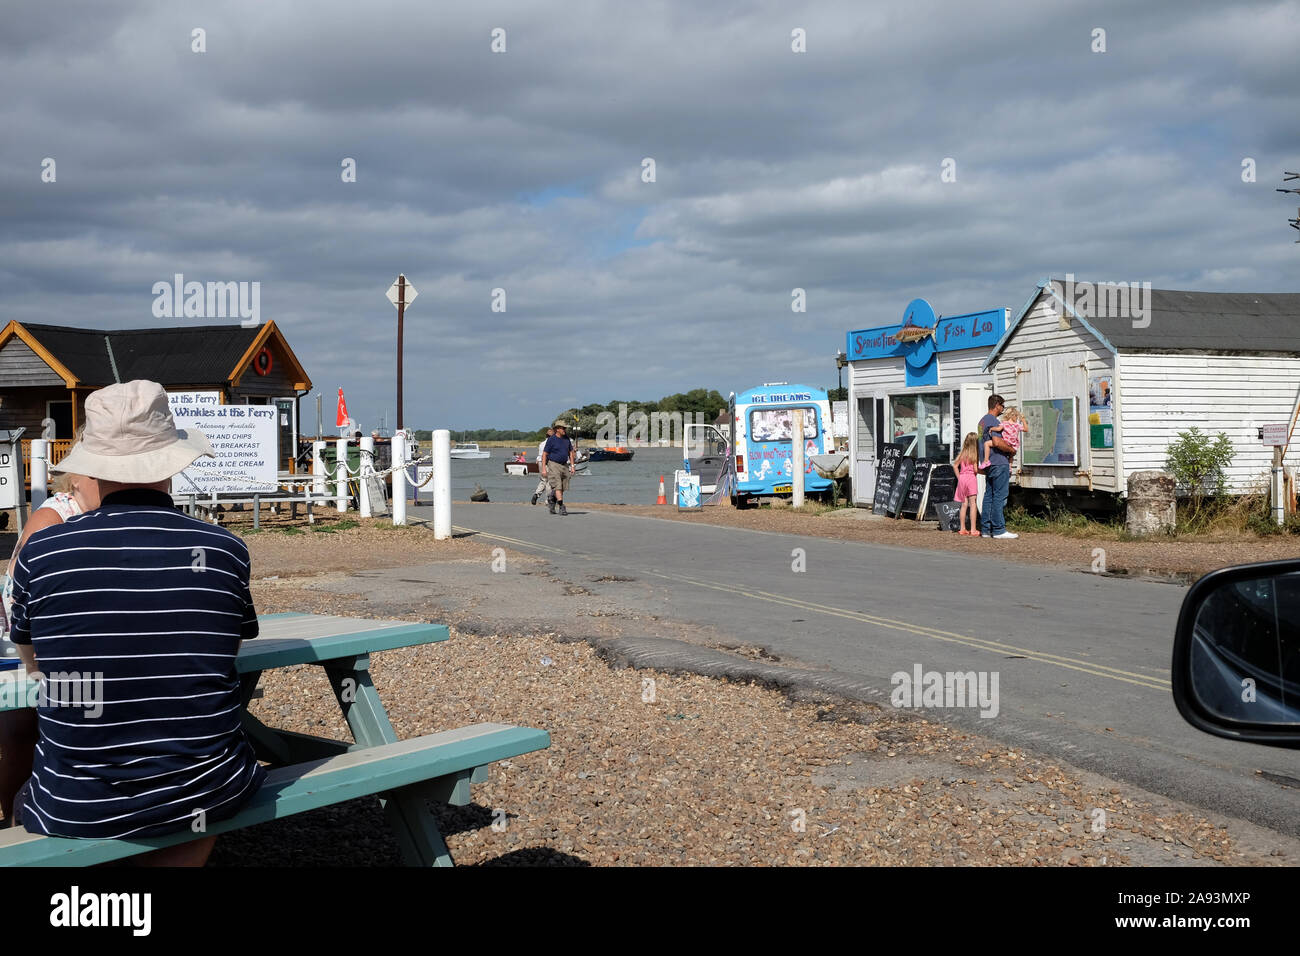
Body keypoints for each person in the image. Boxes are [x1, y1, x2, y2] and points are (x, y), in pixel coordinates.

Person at [7, 380, 265, 864]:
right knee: (196, 782)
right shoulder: (224, 550)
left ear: (92, 469)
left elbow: (36, 668)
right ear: (170, 465)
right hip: (210, 787)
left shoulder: (41, 554)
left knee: (23, 791)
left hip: (76, 802)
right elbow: (223, 653)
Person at [0, 467, 101, 827]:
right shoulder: (54, 519)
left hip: (57, 648)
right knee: (22, 723)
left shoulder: (103, 515)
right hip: (25, 645)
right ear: (76, 478)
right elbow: (19, 597)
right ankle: (15, 825)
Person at [978, 394, 1018, 539]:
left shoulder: (981, 422)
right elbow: (997, 442)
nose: (1003, 409)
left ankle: (986, 529)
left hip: (988, 463)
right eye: (1002, 405)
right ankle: (999, 529)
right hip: (999, 462)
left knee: (989, 495)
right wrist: (1011, 450)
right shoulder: (993, 420)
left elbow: (982, 443)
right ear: (997, 405)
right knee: (999, 496)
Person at [540, 421, 575, 516]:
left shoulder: (566, 439)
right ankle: (561, 506)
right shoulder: (551, 440)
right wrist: (543, 468)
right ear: (557, 429)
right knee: (558, 486)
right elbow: (544, 454)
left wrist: (572, 466)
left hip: (564, 465)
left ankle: (552, 498)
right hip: (553, 464)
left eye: (565, 428)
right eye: (563, 428)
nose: (565, 430)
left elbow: (571, 452)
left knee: (563, 486)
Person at [953, 432, 980, 536]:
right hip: (971, 478)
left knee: (964, 505)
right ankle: (973, 529)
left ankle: (962, 528)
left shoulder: (963, 453)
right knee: (973, 504)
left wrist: (959, 477)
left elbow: (955, 466)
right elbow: (975, 470)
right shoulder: (975, 455)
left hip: (962, 479)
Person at [531, 427, 554, 506]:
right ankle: (548, 499)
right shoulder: (551, 443)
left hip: (540, 462)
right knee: (549, 481)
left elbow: (539, 455)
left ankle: (536, 494)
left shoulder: (541, 443)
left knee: (543, 480)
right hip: (546, 462)